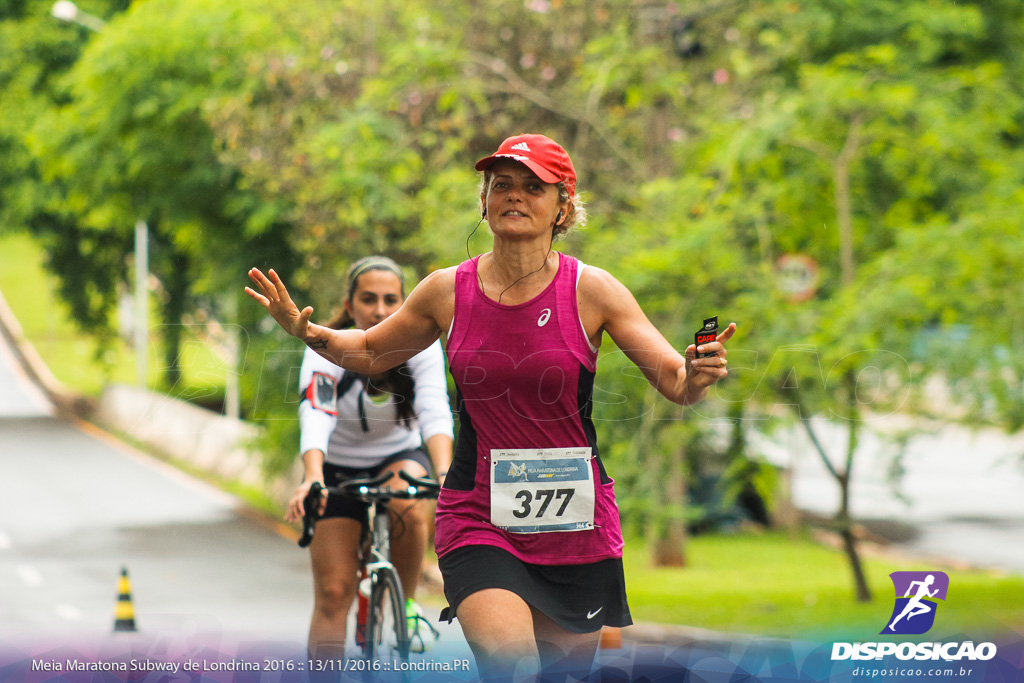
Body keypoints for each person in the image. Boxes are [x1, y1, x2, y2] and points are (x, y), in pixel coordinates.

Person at [247, 134, 736, 679]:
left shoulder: (593, 291)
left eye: (533, 187)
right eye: (501, 184)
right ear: (484, 200)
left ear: (563, 206)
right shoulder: (446, 291)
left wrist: (696, 374)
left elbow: (674, 379)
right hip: (480, 517)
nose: (514, 196)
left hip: (576, 523)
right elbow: (367, 350)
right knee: (513, 664)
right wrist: (309, 332)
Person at [286, 256, 454, 659]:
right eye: (368, 299)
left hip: (398, 457)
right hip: (334, 467)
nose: (379, 310)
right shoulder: (324, 346)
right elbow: (317, 411)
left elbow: (434, 409)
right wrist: (312, 476)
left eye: (391, 299)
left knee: (409, 501)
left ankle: (408, 604)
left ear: (404, 303)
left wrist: (446, 472)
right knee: (333, 593)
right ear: (349, 305)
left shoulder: (421, 346)